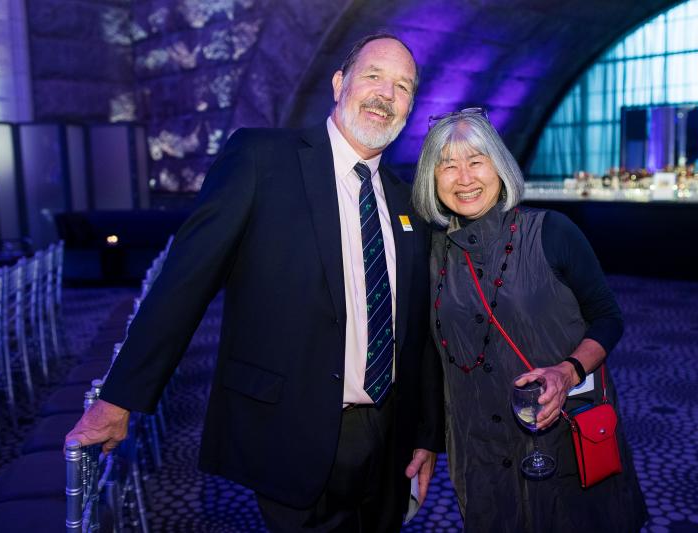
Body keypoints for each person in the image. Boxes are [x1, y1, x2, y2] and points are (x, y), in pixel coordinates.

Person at [65, 33, 444, 532]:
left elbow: (416, 329)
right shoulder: (262, 159)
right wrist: (119, 398)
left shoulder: (406, 198)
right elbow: (185, 281)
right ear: (339, 83)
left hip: (387, 441)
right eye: (374, 76)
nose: (386, 95)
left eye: (403, 86)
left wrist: (424, 433)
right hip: (292, 431)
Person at [411, 110, 647, 532]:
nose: (463, 177)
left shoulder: (552, 232)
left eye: (476, 160)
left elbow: (607, 317)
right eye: (448, 164)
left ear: (499, 166)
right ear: (432, 177)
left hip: (563, 438)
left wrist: (567, 370)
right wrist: (427, 441)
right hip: (479, 449)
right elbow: (430, 355)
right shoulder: (432, 256)